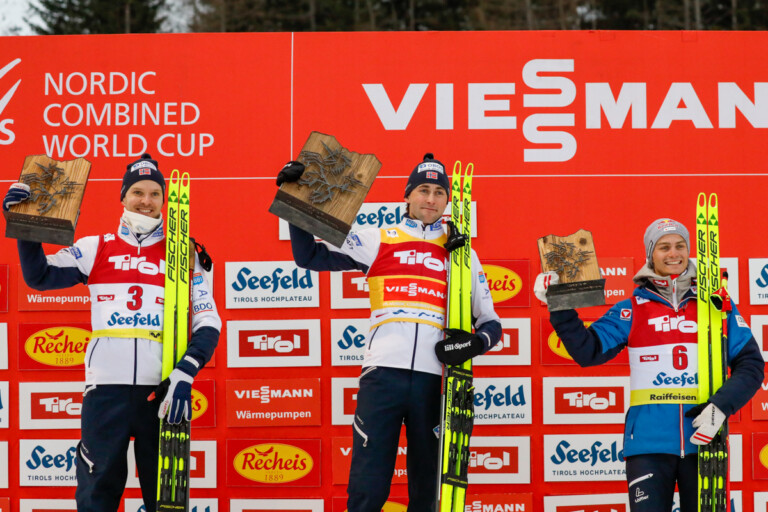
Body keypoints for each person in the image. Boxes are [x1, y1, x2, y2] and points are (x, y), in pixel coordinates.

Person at [277, 153, 501, 512]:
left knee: (426, 492)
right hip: (382, 376)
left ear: (448, 200)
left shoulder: (461, 254)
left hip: (433, 382)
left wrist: (473, 344)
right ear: (408, 195)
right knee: (368, 487)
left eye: (439, 193)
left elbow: (491, 323)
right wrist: (294, 196)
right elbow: (309, 257)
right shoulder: (379, 238)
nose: (431, 199)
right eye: (423, 190)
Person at [3, 153, 221, 512]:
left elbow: (208, 321)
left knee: (166, 503)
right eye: (137, 192)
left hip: (162, 394)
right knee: (96, 496)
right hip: (105, 394)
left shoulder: (185, 254)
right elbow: (38, 277)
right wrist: (24, 227)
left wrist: (186, 372)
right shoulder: (95, 247)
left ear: (165, 199)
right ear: (122, 196)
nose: (146, 201)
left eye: (154, 193)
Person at [534, 218, 764, 512]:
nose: (673, 254)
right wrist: (560, 306)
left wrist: (720, 408)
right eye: (664, 247)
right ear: (650, 254)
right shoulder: (631, 309)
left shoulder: (717, 305)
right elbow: (587, 351)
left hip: (705, 442)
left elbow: (752, 365)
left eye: (680, 246)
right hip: (647, 445)